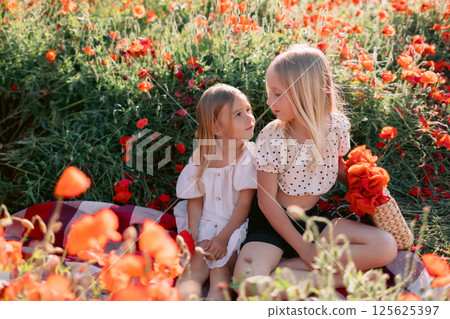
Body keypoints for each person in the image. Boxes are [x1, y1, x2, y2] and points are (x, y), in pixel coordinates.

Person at [234, 45, 398, 286]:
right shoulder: (273, 137)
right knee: (246, 285)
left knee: (386, 245)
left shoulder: (336, 127)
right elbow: (266, 201)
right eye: (270, 92)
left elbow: (337, 167)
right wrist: (303, 248)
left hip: (313, 221)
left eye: (277, 94)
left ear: (305, 93)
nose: (269, 101)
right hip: (273, 224)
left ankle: (285, 270)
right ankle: (333, 279)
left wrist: (365, 183)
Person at [174, 84, 257, 300]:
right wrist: (194, 233)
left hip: (234, 228)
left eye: (248, 110)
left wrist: (222, 238)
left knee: (218, 271)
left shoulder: (248, 157)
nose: (249, 117)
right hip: (207, 224)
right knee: (194, 269)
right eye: (239, 114)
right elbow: (195, 199)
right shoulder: (203, 156)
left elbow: (244, 205)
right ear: (217, 129)